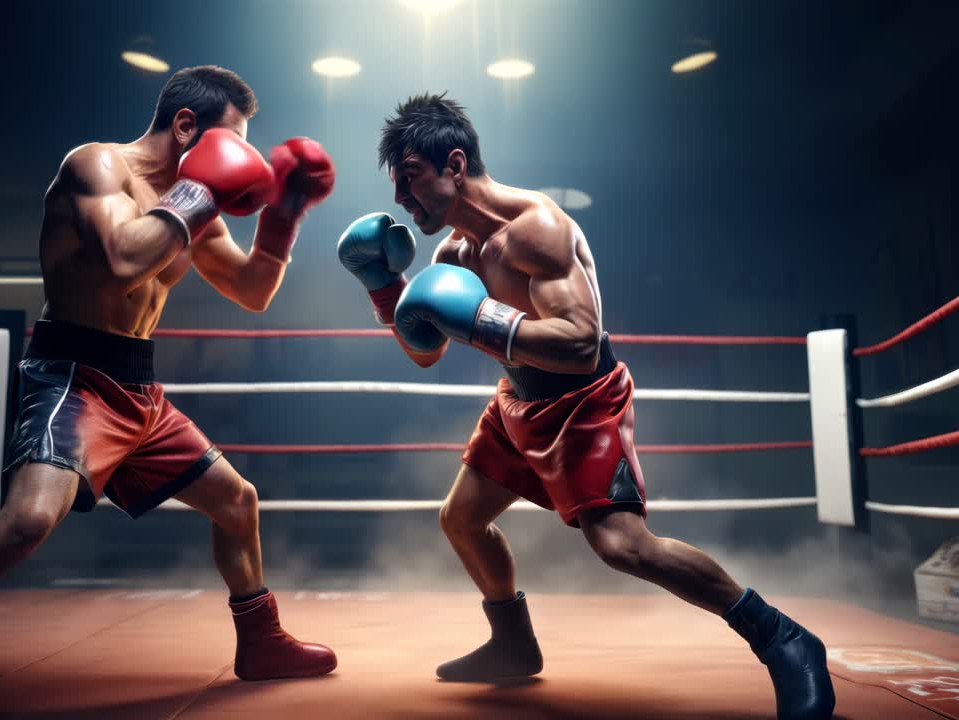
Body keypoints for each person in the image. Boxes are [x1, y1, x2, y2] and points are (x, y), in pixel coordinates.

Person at [0, 65, 337, 720]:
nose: (240, 156)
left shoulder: (195, 201)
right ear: (187, 126)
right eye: (231, 139)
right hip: (73, 372)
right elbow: (123, 258)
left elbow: (252, 291)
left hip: (139, 386)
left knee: (238, 503)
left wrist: (284, 216)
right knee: (28, 522)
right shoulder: (98, 166)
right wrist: (205, 186)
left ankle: (260, 642)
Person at [337, 92, 834, 720]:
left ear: (454, 163)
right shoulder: (453, 256)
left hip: (582, 400)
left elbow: (579, 343)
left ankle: (783, 637)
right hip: (517, 400)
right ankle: (512, 644)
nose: (402, 201)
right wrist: (385, 290)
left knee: (622, 545)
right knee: (461, 518)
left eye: (410, 180)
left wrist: (482, 319)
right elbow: (427, 356)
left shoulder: (537, 229)